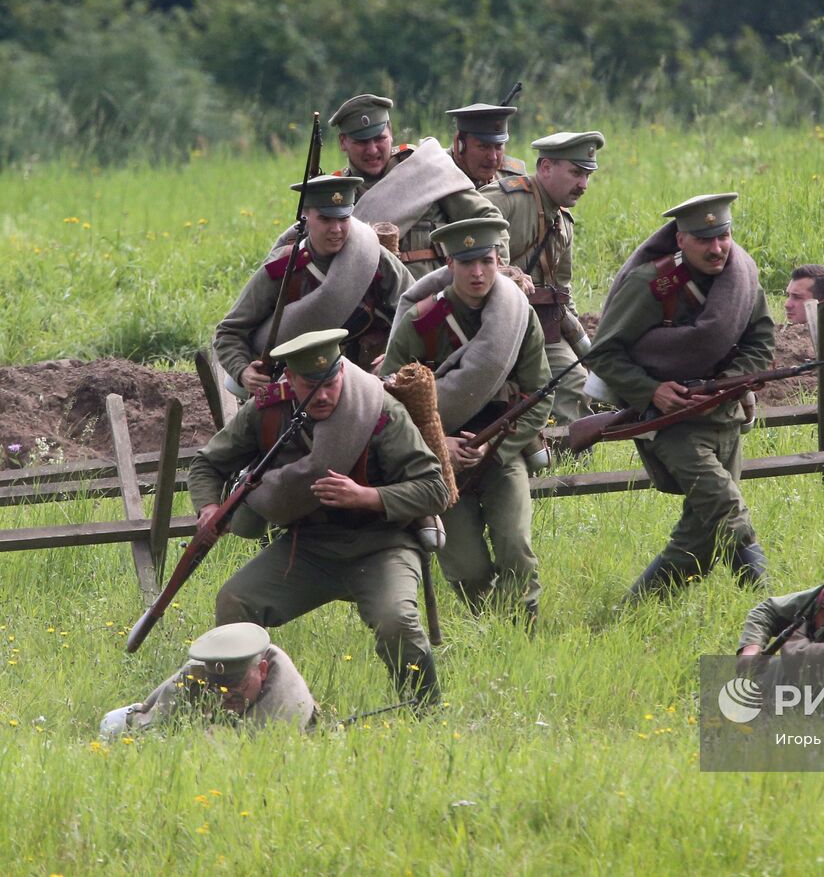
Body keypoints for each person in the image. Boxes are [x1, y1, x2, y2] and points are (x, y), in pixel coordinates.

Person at [191, 329, 451, 704]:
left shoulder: (379, 411)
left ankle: (424, 711)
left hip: (382, 545)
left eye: (331, 382)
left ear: (342, 373)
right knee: (235, 601)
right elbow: (207, 463)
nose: (325, 395)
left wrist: (367, 497)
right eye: (312, 385)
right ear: (291, 380)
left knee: (396, 621)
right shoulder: (267, 410)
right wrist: (209, 508)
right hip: (308, 548)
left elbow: (435, 488)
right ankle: (239, 705)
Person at [587, 192, 776, 600]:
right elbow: (603, 353)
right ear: (680, 241)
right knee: (726, 507)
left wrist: (729, 381)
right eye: (704, 239)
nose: (717, 248)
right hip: (671, 425)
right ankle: (772, 609)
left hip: (724, 416)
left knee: (700, 540)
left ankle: (633, 615)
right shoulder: (652, 285)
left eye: (723, 236)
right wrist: (652, 390)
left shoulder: (741, 278)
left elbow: (761, 340)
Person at [382, 218, 551, 627]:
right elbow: (389, 407)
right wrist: (443, 445)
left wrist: (496, 447)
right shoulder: (419, 323)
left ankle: (521, 629)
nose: (478, 273)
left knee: (515, 545)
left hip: (501, 448)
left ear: (497, 261)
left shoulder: (519, 318)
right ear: (449, 262)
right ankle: (491, 625)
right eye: (466, 262)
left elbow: (539, 395)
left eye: (487, 261)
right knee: (464, 566)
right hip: (437, 460)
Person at [214, 175, 411, 399]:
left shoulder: (376, 259)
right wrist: (242, 371)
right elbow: (228, 332)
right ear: (306, 218)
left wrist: (393, 355)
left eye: (343, 218)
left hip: (372, 384)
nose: (336, 229)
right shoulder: (284, 268)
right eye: (326, 219)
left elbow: (412, 312)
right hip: (302, 389)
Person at [481, 131, 605, 426]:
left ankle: (571, 469)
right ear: (546, 168)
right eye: (576, 173)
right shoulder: (505, 200)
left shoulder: (563, 221)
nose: (583, 185)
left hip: (541, 324)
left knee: (574, 382)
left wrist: (580, 344)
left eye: (587, 175)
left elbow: (562, 290)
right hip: (490, 324)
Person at [312, 93, 505, 280]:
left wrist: (499, 273)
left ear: (391, 133)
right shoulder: (336, 192)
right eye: (361, 142)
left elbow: (489, 219)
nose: (372, 150)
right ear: (343, 142)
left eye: (380, 139)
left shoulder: (424, 167)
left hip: (433, 300)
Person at [99, 623, 316, 740]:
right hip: (206, 732)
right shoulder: (202, 669)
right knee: (112, 723)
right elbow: (154, 719)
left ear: (262, 670)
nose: (227, 695)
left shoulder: (285, 697)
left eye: (239, 686)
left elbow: (235, 752)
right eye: (218, 688)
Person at [446, 103, 527, 188]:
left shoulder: (512, 176)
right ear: (460, 146)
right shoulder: (439, 175)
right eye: (483, 146)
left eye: (498, 146)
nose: (493, 157)